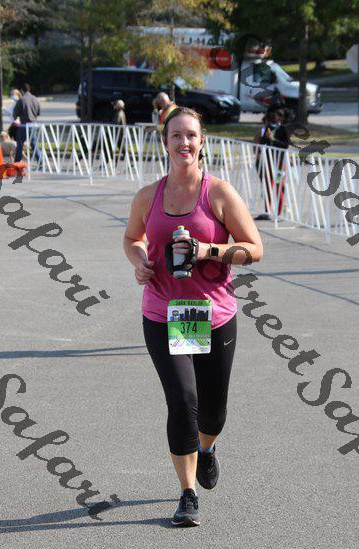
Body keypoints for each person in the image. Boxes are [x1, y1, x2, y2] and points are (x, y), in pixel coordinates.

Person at [123, 106, 263, 527]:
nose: (184, 142)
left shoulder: (218, 194)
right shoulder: (148, 196)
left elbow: (254, 248)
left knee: (212, 411)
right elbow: (132, 238)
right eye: (176, 135)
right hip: (163, 312)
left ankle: (207, 448)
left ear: (202, 142)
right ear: (164, 142)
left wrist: (208, 251)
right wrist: (139, 262)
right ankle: (187, 493)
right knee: (183, 401)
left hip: (212, 314)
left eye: (191, 135)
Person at [253, 107, 290, 220]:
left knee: (279, 184)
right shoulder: (267, 128)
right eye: (272, 116)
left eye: (277, 116)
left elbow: (286, 145)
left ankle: (280, 212)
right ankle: (267, 210)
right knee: (268, 184)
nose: (274, 118)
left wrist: (273, 139)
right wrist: (266, 138)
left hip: (279, 162)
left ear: (281, 118)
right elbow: (262, 143)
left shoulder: (283, 129)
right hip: (268, 161)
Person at [13, 83, 41, 163]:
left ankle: (17, 163)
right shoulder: (35, 99)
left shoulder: (21, 100)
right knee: (33, 143)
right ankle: (41, 161)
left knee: (20, 144)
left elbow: (15, 113)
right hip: (33, 124)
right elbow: (38, 112)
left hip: (23, 125)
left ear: (22, 90)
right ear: (29, 89)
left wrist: (17, 118)